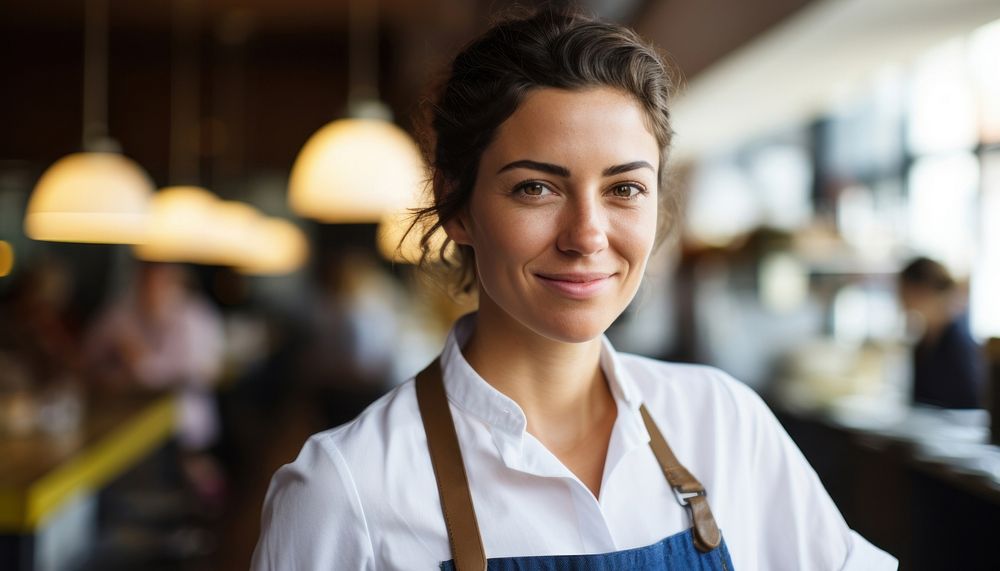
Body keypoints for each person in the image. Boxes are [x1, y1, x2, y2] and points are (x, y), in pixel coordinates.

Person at [251, 9, 897, 570]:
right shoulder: (345, 490)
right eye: (537, 187)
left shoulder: (726, 425)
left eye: (624, 189)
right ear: (456, 205)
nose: (587, 235)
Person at [898, 256, 985, 409]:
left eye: (902, 290)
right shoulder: (924, 339)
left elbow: (970, 402)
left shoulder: (958, 342)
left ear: (921, 291)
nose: (899, 298)